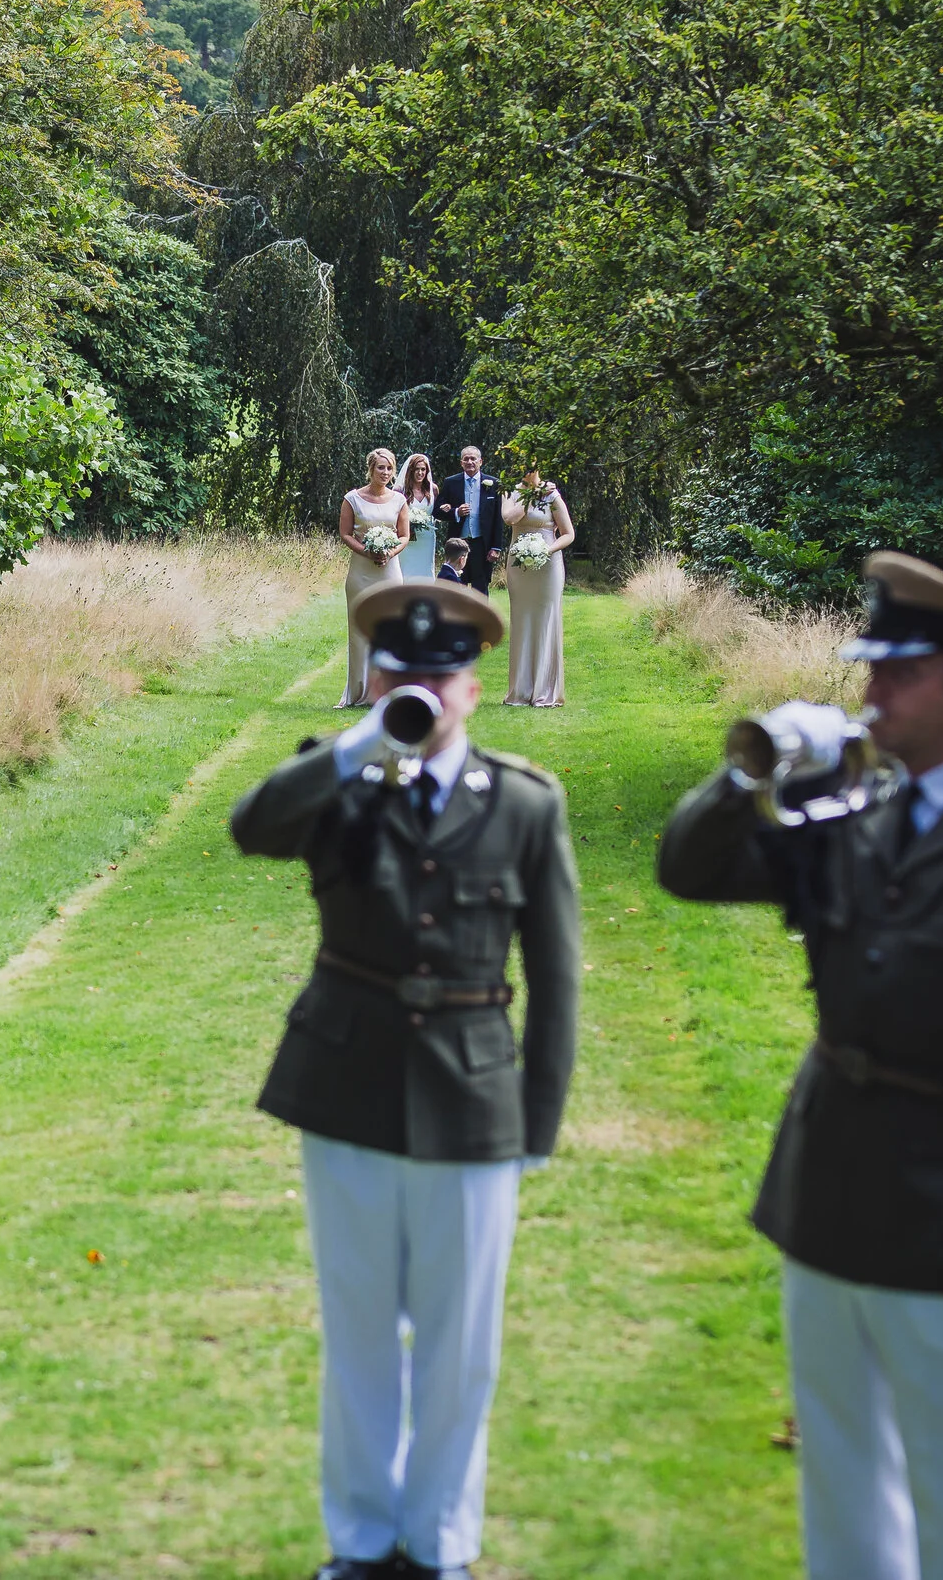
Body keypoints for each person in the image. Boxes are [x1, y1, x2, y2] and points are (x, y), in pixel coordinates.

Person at [658, 552, 943, 1580]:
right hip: (825, 1195)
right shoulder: (850, 811)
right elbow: (689, 870)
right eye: (867, 666)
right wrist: (751, 768)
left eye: (897, 671)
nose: (868, 691)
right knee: (841, 1499)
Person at [230, 579, 582, 1580]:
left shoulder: (523, 802)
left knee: (460, 1341)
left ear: (471, 688)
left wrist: (537, 1122)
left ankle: (438, 1542)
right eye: (398, 672)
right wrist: (358, 744)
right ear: (376, 678)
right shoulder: (336, 778)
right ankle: (359, 1538)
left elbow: (555, 981)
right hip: (343, 1087)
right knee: (357, 1330)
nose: (420, 690)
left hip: (475, 1097)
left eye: (438, 676)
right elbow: (249, 826)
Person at [337, 450, 411, 707]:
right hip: (361, 571)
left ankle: (386, 691)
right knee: (360, 630)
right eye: (381, 467)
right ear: (371, 469)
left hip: (390, 571)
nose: (386, 473)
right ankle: (359, 690)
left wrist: (389, 552)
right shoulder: (353, 499)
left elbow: (404, 536)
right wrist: (366, 551)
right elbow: (345, 533)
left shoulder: (399, 500)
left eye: (390, 468)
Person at [501, 469, 573, 707]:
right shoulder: (509, 492)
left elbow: (568, 534)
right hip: (518, 566)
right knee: (522, 621)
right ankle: (520, 691)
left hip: (548, 566)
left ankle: (545, 690)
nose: (525, 471)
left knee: (546, 621)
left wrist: (546, 550)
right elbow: (510, 519)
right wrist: (532, 494)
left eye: (530, 466)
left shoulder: (552, 495)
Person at [436, 447, 506, 597]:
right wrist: (456, 512)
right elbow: (437, 511)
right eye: (466, 459)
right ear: (461, 462)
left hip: (482, 544)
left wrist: (496, 547)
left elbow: (497, 518)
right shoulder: (451, 482)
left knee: (480, 589)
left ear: (480, 462)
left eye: (473, 458)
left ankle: (481, 620)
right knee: (455, 588)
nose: (469, 462)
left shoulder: (493, 484)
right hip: (457, 543)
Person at [397, 454, 439, 579]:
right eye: (417, 469)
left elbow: (437, 512)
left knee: (425, 568)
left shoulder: (433, 489)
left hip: (427, 538)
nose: (420, 473)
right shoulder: (400, 490)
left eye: (423, 469)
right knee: (406, 568)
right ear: (411, 470)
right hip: (407, 538)